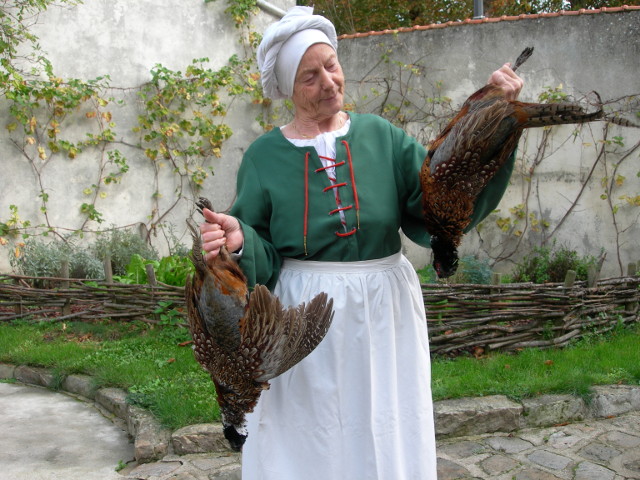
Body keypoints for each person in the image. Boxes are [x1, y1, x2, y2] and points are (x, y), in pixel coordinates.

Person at [199, 6, 523, 479]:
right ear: (288, 89)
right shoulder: (264, 157)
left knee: (385, 416)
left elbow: (437, 201)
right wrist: (240, 239)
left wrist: (494, 119)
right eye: (309, 77)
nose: (328, 82)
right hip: (305, 315)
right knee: (312, 424)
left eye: (331, 65)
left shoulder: (381, 136)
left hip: (384, 306)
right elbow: (261, 254)